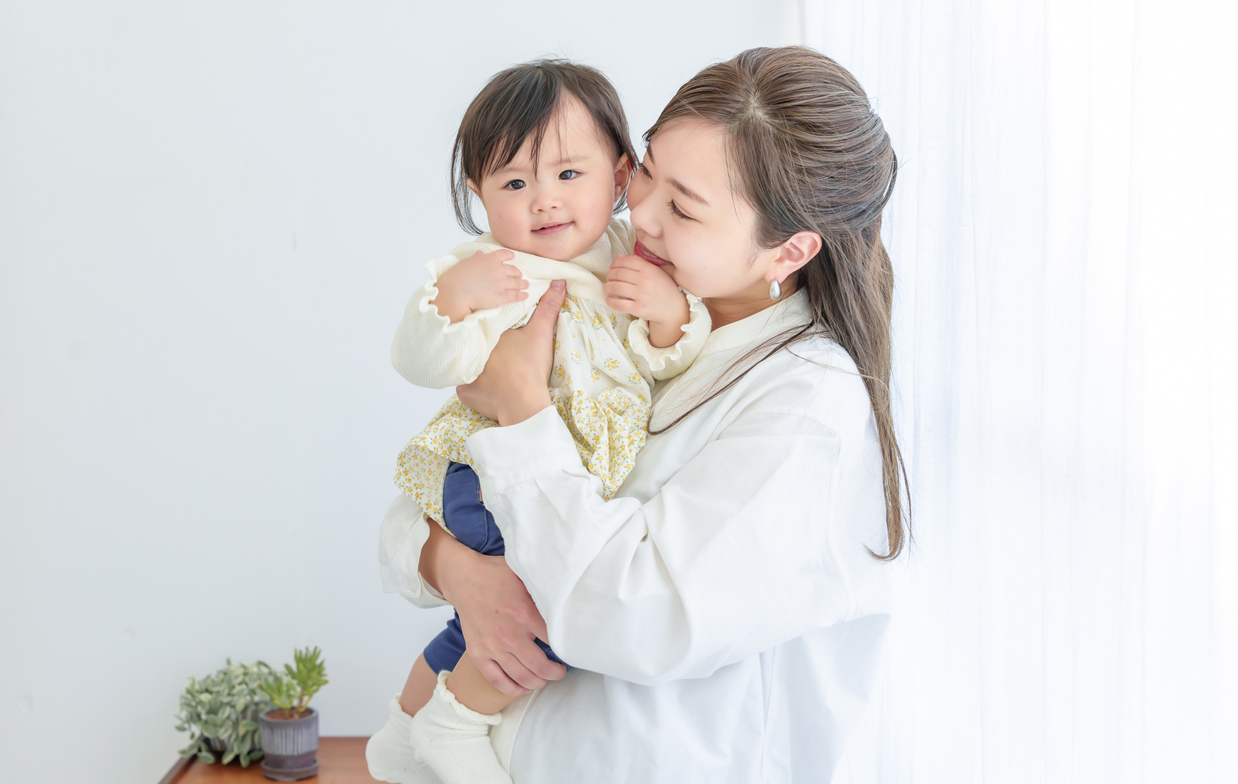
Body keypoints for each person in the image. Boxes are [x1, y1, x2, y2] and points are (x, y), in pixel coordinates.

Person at [371, 46, 907, 783]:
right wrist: (456, 569)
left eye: (683, 207)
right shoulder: (617, 310)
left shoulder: (803, 407)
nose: (638, 214)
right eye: (647, 171)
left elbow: (635, 617)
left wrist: (522, 411)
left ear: (788, 250)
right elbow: (419, 503)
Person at [375, 60, 711, 784]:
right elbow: (422, 359)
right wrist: (452, 301)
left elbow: (670, 360)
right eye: (515, 184)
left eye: (568, 175)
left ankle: (403, 727)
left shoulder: (632, 257)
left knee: (482, 623)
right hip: (490, 472)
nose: (545, 203)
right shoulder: (490, 267)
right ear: (478, 194)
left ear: (621, 176)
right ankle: (456, 721)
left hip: (564, 477)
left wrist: (669, 315)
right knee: (549, 607)